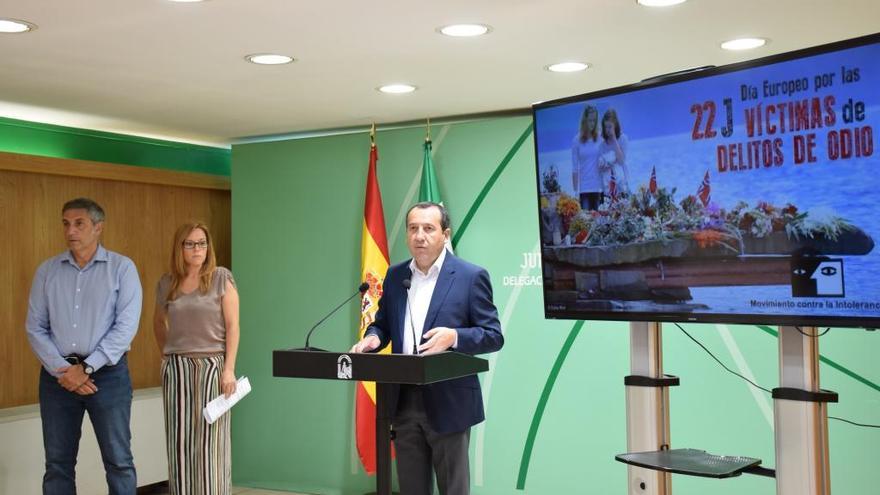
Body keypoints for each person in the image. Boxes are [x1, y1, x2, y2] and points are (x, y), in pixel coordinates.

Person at [350, 202, 503, 495]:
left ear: (445, 234)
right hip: (403, 401)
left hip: (450, 401)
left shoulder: (471, 277)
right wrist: (373, 337)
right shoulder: (395, 276)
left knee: (453, 490)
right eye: (413, 228)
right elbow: (382, 323)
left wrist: (454, 337)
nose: (419, 235)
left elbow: (493, 335)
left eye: (428, 228)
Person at [26, 197, 143, 495]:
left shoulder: (122, 269)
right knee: (57, 465)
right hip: (58, 379)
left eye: (79, 223)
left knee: (118, 461)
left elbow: (125, 328)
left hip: (108, 376)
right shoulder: (47, 271)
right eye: (66, 224)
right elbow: (35, 327)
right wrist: (65, 371)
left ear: (98, 227)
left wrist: (87, 368)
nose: (70, 231)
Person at [153, 221, 239, 495]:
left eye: (202, 243)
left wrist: (229, 370)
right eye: (190, 243)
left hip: (212, 367)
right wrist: (167, 356)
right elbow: (157, 323)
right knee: (180, 442)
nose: (197, 249)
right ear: (180, 248)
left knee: (210, 444)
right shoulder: (167, 282)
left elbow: (233, 326)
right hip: (177, 370)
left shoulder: (220, 278)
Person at [571, 104, 603, 210]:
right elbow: (575, 168)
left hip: (598, 188)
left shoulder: (600, 138)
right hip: (584, 189)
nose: (592, 124)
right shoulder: (576, 140)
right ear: (584, 121)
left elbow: (606, 160)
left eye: (594, 120)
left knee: (599, 222)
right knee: (586, 223)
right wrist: (575, 191)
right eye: (590, 120)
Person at [597, 108, 631, 196]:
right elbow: (600, 169)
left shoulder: (623, 139)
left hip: (622, 185)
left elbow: (621, 161)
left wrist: (614, 139)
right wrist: (605, 166)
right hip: (607, 187)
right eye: (606, 127)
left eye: (610, 127)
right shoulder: (602, 145)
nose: (608, 130)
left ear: (615, 125)